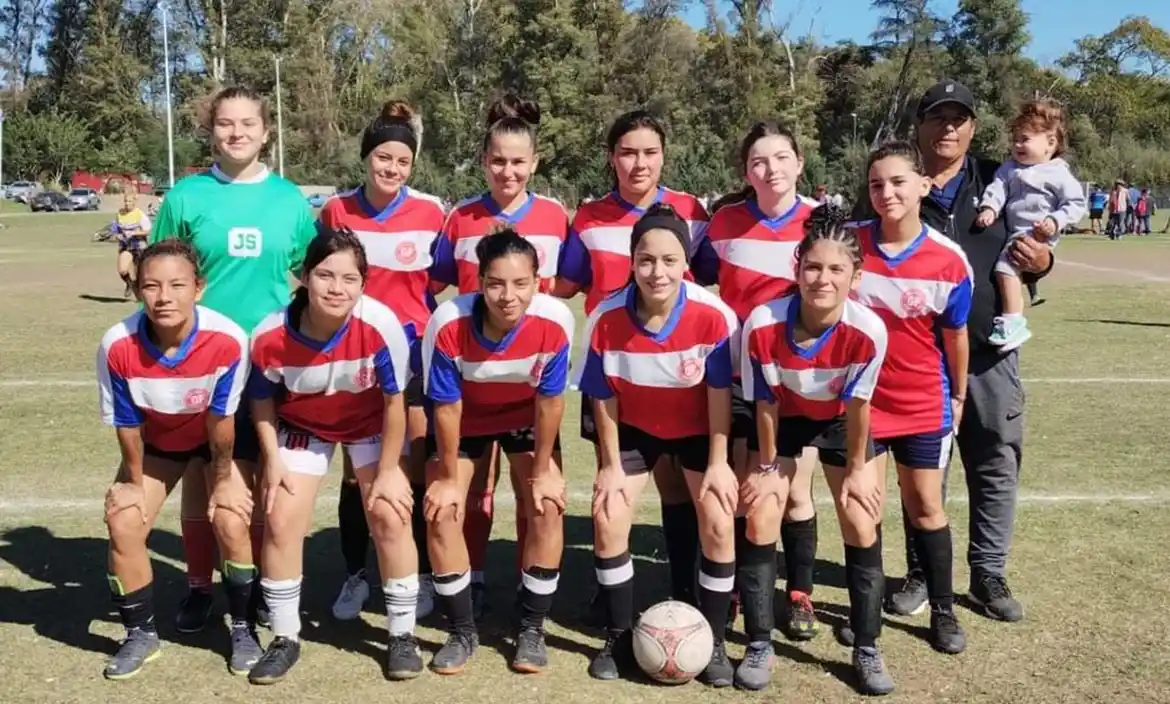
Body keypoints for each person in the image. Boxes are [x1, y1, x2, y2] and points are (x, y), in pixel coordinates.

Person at [853, 80, 1051, 624]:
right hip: (910, 362)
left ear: (972, 126)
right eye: (937, 118)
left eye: (959, 118)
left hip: (986, 349)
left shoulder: (1003, 178)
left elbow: (1040, 243)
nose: (949, 127)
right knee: (922, 474)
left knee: (993, 461)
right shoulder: (895, 182)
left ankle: (988, 572)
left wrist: (1043, 262)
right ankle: (922, 573)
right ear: (919, 127)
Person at [151, 85, 317, 635]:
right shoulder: (186, 197)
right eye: (226, 123)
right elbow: (160, 271)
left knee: (266, 478)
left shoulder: (290, 200)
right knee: (205, 478)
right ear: (212, 130)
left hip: (270, 364)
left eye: (248, 123)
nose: (237, 132)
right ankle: (200, 587)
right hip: (202, 361)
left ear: (266, 131)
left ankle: (266, 588)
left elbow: (309, 275)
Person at [574, 204, 740, 686]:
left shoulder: (714, 317)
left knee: (717, 516)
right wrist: (608, 465)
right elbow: (602, 397)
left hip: (695, 430)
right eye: (646, 260)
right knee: (607, 515)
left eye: (669, 260)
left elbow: (719, 396)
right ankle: (619, 634)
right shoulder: (606, 317)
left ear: (686, 261)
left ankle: (713, 642)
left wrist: (718, 463)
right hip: (634, 432)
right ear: (631, 262)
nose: (657, 272)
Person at [245, 228, 415, 684]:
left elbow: (395, 401)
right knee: (280, 518)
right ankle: (285, 637)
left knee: (388, 514)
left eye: (350, 278)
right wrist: (273, 459)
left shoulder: (380, 326)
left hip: (369, 426)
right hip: (304, 426)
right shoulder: (269, 334)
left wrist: (390, 471)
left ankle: (401, 636)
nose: (337, 288)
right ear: (304, 275)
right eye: (324, 275)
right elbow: (261, 399)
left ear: (364, 283)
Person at [556, 110, 709, 611]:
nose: (638, 162)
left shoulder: (692, 212)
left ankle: (685, 585)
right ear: (610, 157)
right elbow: (567, 284)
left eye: (649, 151)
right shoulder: (589, 216)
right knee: (614, 484)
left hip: (679, 376)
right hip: (615, 375)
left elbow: (710, 281)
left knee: (677, 487)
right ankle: (612, 593)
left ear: (664, 154)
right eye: (627, 152)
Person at [741, 205, 891, 695]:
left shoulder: (868, 331)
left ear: (855, 276)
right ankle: (759, 643)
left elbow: (860, 405)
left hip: (841, 419)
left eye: (835, 269)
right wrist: (765, 466)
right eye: (812, 267)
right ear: (796, 267)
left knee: (859, 514)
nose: (821, 279)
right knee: (761, 513)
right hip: (784, 416)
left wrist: (857, 470)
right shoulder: (763, 323)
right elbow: (765, 402)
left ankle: (866, 647)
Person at [430, 94, 570, 618]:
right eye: (498, 160)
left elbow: (573, 279)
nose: (507, 171)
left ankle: (525, 587)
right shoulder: (460, 216)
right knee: (472, 492)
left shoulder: (556, 216)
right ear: (484, 161)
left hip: (528, 371)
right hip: (469, 373)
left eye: (518, 162)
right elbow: (436, 281)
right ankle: (476, 578)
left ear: (534, 163)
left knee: (531, 488)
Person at [692, 121, 823, 660]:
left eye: (781, 158)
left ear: (798, 163)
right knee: (748, 493)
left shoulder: (820, 221)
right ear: (746, 172)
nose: (770, 169)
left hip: (803, 382)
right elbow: (694, 275)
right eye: (758, 162)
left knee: (795, 493)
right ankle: (745, 594)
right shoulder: (724, 223)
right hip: (741, 379)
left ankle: (801, 594)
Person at [420, 229, 574, 675]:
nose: (508, 296)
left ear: (538, 281)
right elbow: (446, 407)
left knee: (546, 505)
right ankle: (463, 630)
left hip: (524, 415)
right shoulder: (448, 322)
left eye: (520, 283)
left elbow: (549, 402)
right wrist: (448, 478)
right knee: (443, 510)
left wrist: (543, 471)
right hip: (466, 419)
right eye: (496, 284)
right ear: (478, 282)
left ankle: (531, 627)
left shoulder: (555, 321)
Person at [97, 240, 252, 679]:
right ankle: (140, 635)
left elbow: (222, 422)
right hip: (157, 447)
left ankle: (242, 627)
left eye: (177, 285)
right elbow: (126, 423)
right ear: (137, 291)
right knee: (123, 519)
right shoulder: (116, 344)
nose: (164, 296)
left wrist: (223, 480)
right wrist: (130, 480)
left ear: (198, 288)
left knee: (230, 517)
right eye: (151, 285)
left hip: (211, 442)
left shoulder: (227, 339)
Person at [317, 100, 446, 623]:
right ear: (366, 157)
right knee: (356, 474)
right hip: (354, 356)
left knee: (409, 468)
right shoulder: (336, 212)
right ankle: (356, 575)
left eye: (402, 161)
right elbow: (323, 278)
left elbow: (434, 285)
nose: (392, 169)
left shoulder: (433, 211)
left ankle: (413, 576)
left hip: (412, 356)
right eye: (383, 158)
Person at [854, 141, 973, 657]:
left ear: (924, 185)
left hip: (924, 402)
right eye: (877, 184)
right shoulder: (851, 246)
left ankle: (943, 611)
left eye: (898, 182)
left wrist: (960, 396)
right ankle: (865, 616)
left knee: (926, 506)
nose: (887, 193)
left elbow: (956, 338)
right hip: (862, 407)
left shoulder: (948, 261)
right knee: (865, 509)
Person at [975, 99, 1085, 350]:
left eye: (1025, 139)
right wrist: (989, 208)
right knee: (1006, 268)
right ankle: (1014, 316)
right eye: (1015, 139)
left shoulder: (1058, 173)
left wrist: (1055, 221)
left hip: (1036, 232)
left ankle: (1013, 321)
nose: (1017, 145)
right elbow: (997, 190)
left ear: (1050, 143)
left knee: (1005, 268)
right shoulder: (1008, 169)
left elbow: (1076, 204)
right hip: (1013, 230)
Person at [112, 191, 152, 299]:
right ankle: (130, 284)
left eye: (129, 201)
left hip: (139, 245)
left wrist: (134, 233)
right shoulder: (119, 213)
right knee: (122, 270)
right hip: (126, 245)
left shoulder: (139, 214)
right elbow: (115, 228)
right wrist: (117, 235)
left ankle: (143, 297)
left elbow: (148, 231)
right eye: (125, 201)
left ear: (134, 202)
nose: (127, 203)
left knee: (141, 273)